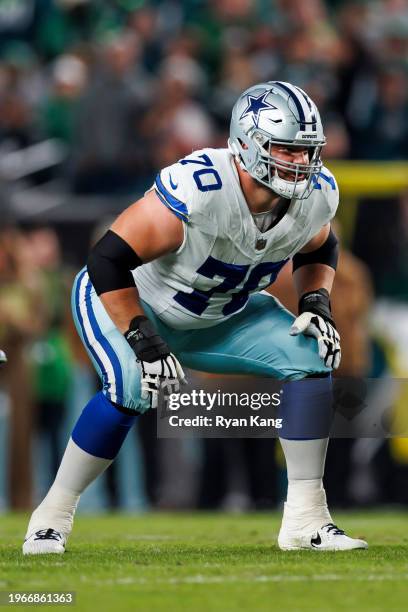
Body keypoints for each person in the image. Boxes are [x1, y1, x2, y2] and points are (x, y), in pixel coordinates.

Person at [23, 81, 367, 554]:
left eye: (307, 152)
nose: (300, 163)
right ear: (248, 144)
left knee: (310, 356)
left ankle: (305, 519)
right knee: (130, 387)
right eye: (286, 150)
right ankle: (52, 517)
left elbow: (321, 245)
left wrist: (316, 301)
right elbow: (107, 260)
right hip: (129, 302)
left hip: (223, 314)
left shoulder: (316, 196)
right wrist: (140, 335)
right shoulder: (202, 188)